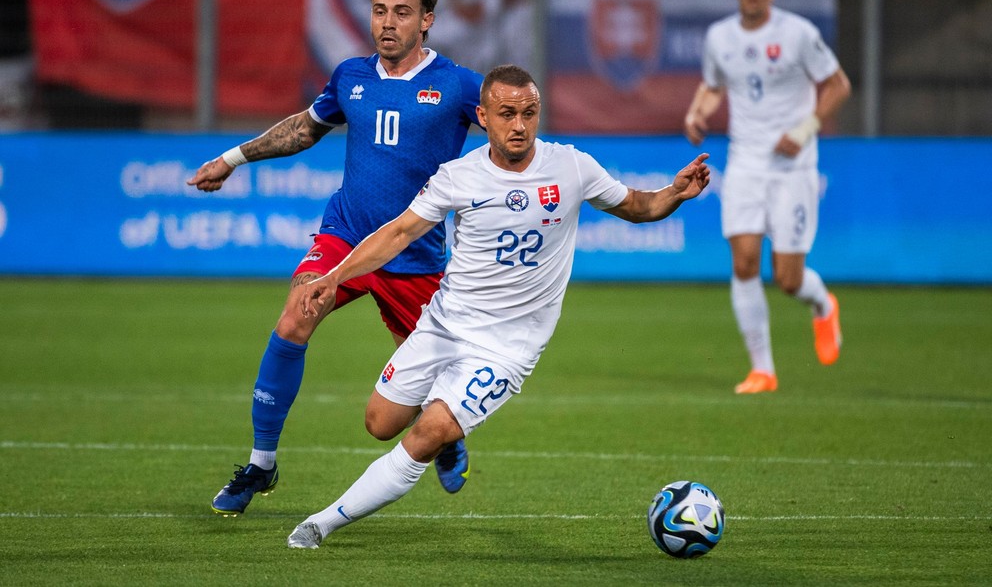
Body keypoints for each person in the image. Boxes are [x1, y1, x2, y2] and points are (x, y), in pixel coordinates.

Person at [284, 64, 710, 549]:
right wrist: (335, 276)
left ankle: (321, 524)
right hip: (445, 323)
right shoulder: (458, 176)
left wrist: (675, 193)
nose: (520, 125)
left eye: (529, 112)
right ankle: (447, 411)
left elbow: (636, 205)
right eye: (507, 114)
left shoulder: (571, 166)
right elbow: (399, 232)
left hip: (507, 346)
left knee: (430, 432)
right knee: (379, 423)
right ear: (483, 117)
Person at [186, 0, 484, 516]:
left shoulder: (461, 85)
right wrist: (231, 159)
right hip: (344, 235)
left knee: (424, 383)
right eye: (379, 11)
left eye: (401, 12)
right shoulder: (351, 75)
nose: (387, 23)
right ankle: (261, 464)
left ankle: (444, 433)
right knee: (296, 314)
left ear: (427, 21)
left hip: (414, 254)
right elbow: (304, 128)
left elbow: (511, 134)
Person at [683, 0, 851, 394]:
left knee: (789, 279)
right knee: (743, 263)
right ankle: (763, 370)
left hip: (793, 168)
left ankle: (822, 304)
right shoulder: (720, 37)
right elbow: (714, 85)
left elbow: (838, 85)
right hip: (744, 164)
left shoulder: (797, 34)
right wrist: (696, 114)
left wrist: (806, 128)